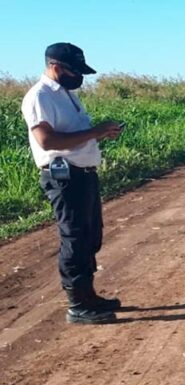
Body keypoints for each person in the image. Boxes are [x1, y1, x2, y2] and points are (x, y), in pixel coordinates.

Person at [21, 43, 124, 324]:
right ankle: (77, 304)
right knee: (74, 238)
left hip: (84, 173)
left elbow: (75, 135)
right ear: (55, 67)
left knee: (90, 236)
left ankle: (89, 296)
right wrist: (94, 131)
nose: (79, 76)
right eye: (74, 70)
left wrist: (100, 134)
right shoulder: (40, 96)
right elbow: (47, 140)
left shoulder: (67, 94)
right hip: (64, 178)